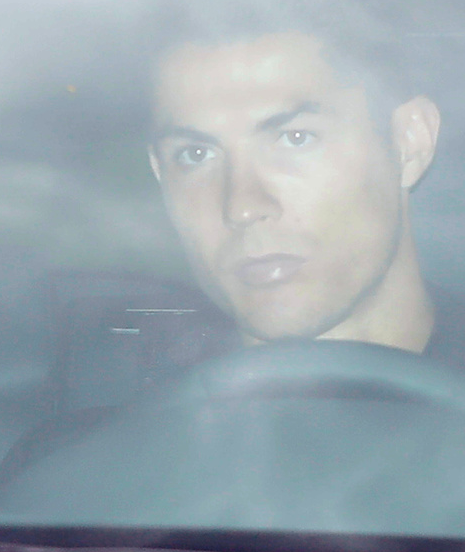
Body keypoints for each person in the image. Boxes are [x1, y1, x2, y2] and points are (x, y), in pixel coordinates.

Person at [148, 27, 443, 354]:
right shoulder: (118, 378)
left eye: (296, 138)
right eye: (195, 155)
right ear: (159, 172)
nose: (242, 208)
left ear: (410, 142)